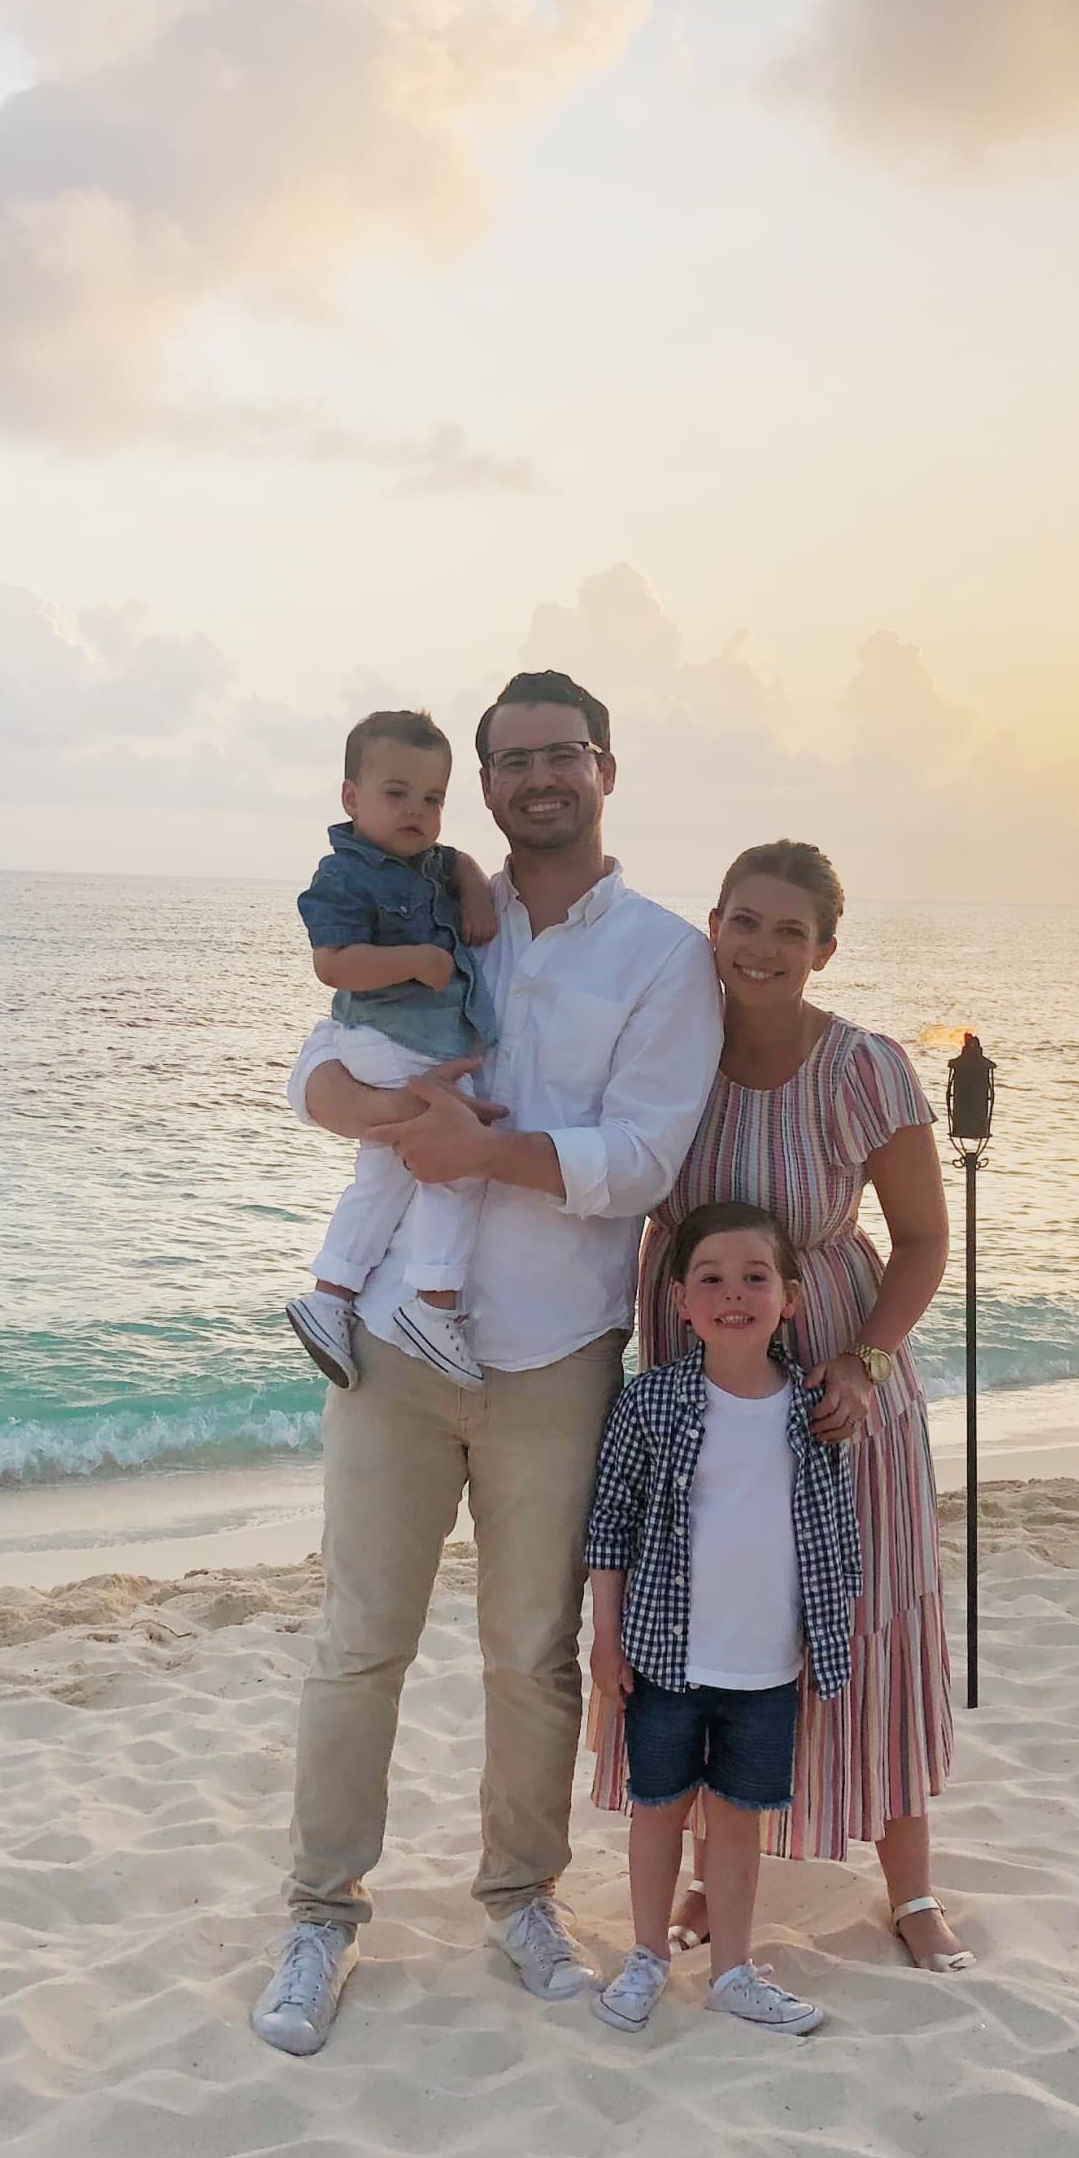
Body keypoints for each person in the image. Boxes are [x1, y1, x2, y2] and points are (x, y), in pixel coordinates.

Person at [250, 669, 724, 2056]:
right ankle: (320, 1916)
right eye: (511, 760)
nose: (536, 780)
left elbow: (645, 1154)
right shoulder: (437, 896)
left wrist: (481, 1154)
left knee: (532, 1654)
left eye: (560, 756)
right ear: (486, 780)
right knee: (358, 1644)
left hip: (555, 1357)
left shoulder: (661, 957)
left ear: (605, 770)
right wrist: (345, 1102)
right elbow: (320, 1062)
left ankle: (520, 1898)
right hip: (397, 1342)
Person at [590, 839, 971, 1973]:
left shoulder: (862, 1067)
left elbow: (919, 1239)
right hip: (690, 1364)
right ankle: (714, 1870)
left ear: (823, 949)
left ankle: (907, 1891)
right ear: (711, 925)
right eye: (743, 922)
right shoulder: (667, 1053)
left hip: (837, 1377)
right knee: (705, 1609)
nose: (761, 948)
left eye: (788, 931)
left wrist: (859, 1360)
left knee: (862, 1614)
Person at [585, 1203, 858, 2037]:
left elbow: (833, 1533)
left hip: (766, 1666)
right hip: (665, 1656)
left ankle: (735, 1967)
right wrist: (604, 1635)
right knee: (658, 1809)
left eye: (754, 1278)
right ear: (678, 1302)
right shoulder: (651, 1402)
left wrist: (826, 1638)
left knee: (739, 1823)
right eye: (710, 1279)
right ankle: (646, 1957)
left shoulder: (814, 1412)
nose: (732, 1295)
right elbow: (609, 1521)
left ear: (791, 1298)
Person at [284, 709, 500, 1391]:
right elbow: (333, 964)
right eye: (396, 793)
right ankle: (433, 1303)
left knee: (382, 1175)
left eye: (433, 799)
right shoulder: (347, 875)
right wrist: (414, 960)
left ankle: (331, 1295)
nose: (417, 811)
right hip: (387, 1038)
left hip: (414, 1041)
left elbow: (470, 889)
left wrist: (467, 873)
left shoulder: (436, 864)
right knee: (455, 1163)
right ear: (352, 798)